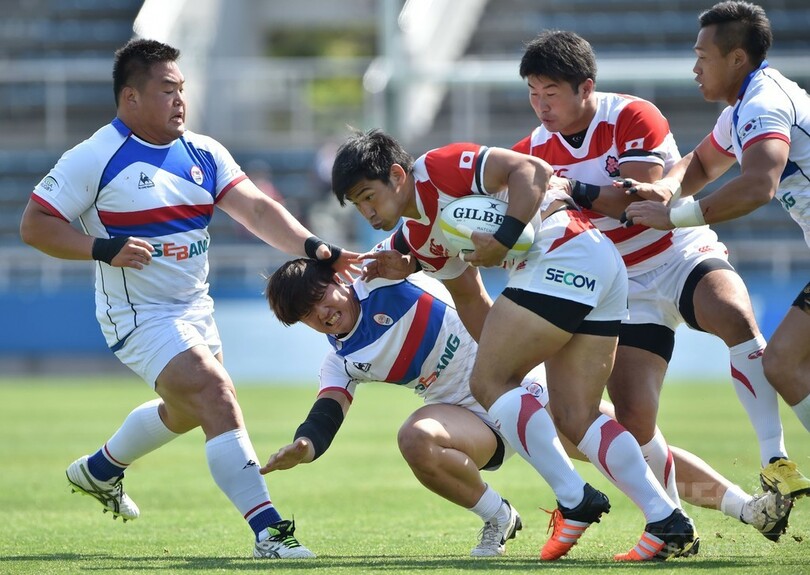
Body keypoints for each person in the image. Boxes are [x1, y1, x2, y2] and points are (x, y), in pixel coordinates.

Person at [18, 38, 359, 560]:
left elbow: (258, 211)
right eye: (167, 90)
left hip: (194, 308)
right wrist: (102, 248)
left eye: (183, 89)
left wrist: (317, 247)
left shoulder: (204, 151)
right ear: (130, 99)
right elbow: (35, 225)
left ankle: (101, 469)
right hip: (136, 314)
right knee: (216, 395)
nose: (180, 100)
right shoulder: (94, 157)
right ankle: (270, 533)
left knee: (189, 410)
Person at [260, 257, 791, 557]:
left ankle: (746, 508)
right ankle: (499, 517)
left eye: (320, 297)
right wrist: (305, 446)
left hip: (515, 374)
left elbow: (430, 242)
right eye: (306, 315)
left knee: (615, 444)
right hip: (466, 414)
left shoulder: (386, 274)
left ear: (337, 280)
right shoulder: (340, 361)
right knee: (414, 438)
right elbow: (327, 413)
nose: (321, 313)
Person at [330, 128, 695, 561]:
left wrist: (504, 240)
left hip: (564, 251)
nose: (367, 211)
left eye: (368, 195)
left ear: (396, 174)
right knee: (573, 414)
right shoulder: (420, 237)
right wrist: (410, 266)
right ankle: (666, 519)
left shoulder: (435, 169)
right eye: (358, 205)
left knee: (489, 382)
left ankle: (575, 500)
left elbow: (533, 170)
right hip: (595, 265)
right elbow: (469, 298)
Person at [513, 28, 810, 514]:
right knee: (633, 421)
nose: (540, 106)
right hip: (621, 286)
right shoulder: (532, 151)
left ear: (585, 88)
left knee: (732, 314)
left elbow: (640, 196)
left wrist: (570, 188)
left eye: (551, 94)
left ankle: (774, 457)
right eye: (532, 94)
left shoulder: (631, 114)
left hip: (677, 252)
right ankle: (681, 522)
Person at [622, 1, 810, 493]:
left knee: (785, 362)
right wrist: (666, 188)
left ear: (737, 60)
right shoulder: (743, 107)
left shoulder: (764, 104)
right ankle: (778, 461)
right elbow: (701, 164)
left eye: (703, 56)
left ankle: (777, 460)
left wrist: (674, 215)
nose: (694, 67)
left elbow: (757, 186)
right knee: (784, 363)